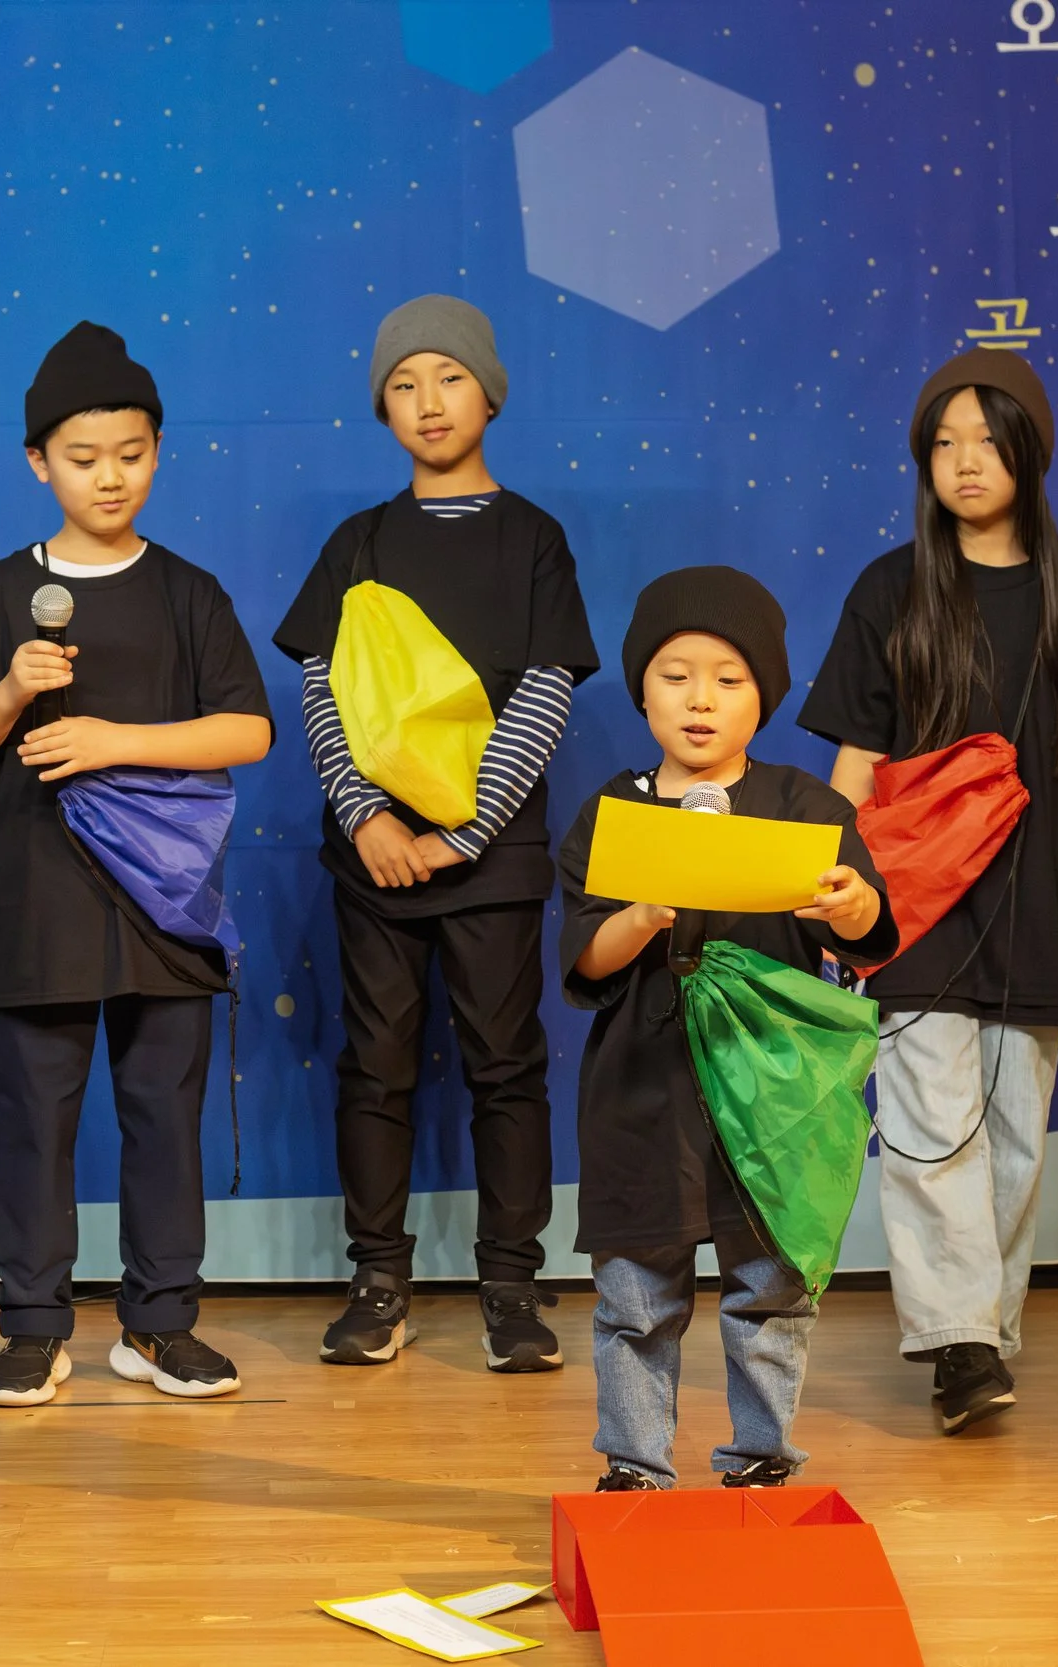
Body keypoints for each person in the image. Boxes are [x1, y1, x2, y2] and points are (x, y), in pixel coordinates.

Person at [798, 350, 1058, 1434]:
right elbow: (857, 754)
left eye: (987, 442)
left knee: (1014, 1135)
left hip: (1039, 894)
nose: (964, 462)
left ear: (1029, 454)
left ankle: (983, 1334)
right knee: (929, 1127)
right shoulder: (890, 589)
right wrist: (834, 882)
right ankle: (958, 1345)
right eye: (944, 444)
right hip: (913, 899)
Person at [0, 321, 273, 1407]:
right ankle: (32, 1328)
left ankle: (160, 1324)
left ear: (158, 451)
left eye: (130, 452)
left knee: (162, 1114)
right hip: (41, 900)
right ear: (39, 462)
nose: (110, 476)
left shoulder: (189, 592)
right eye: (83, 457)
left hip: (165, 899)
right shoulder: (0, 592)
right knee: (36, 1118)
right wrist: (12, 688)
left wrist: (114, 739)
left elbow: (249, 729)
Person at [272, 295, 599, 1372]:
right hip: (371, 858)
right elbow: (323, 689)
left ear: (490, 393)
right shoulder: (358, 542)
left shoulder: (533, 538)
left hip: (490, 861)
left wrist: (465, 832)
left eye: (449, 378)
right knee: (376, 1066)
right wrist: (366, 814)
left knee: (506, 1066)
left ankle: (511, 1284)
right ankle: (378, 1280)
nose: (428, 401)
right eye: (404, 385)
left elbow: (545, 690)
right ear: (383, 408)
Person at [558, 566, 895, 1489]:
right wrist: (641, 913)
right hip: (644, 1088)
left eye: (728, 678)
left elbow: (869, 931)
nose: (700, 699)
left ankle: (761, 1459)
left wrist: (853, 903)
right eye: (675, 675)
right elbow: (585, 960)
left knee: (770, 1289)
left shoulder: (809, 808)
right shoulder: (613, 813)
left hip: (772, 1088)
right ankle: (635, 1466)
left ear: (764, 694)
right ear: (642, 689)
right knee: (636, 1295)